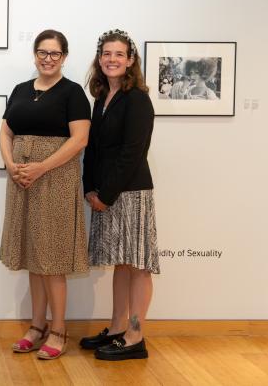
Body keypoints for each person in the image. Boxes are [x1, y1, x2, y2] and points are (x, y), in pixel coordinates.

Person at [0, 29, 91, 360]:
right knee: (32, 259)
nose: (47, 59)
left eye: (54, 53)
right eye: (42, 52)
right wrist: (11, 164)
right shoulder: (21, 90)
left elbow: (79, 140)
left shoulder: (73, 93)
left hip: (55, 181)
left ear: (64, 57)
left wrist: (41, 167)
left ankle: (59, 330)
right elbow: (6, 130)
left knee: (51, 261)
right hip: (22, 181)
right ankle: (36, 327)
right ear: (35, 55)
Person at [80, 29, 159, 361]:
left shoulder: (137, 99)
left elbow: (132, 153)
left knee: (138, 266)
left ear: (130, 61)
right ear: (100, 59)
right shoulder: (101, 98)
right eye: (106, 54)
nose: (112, 60)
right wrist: (89, 188)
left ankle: (135, 335)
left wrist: (106, 195)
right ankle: (116, 328)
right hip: (107, 194)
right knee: (122, 265)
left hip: (132, 193)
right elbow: (94, 150)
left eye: (119, 54)